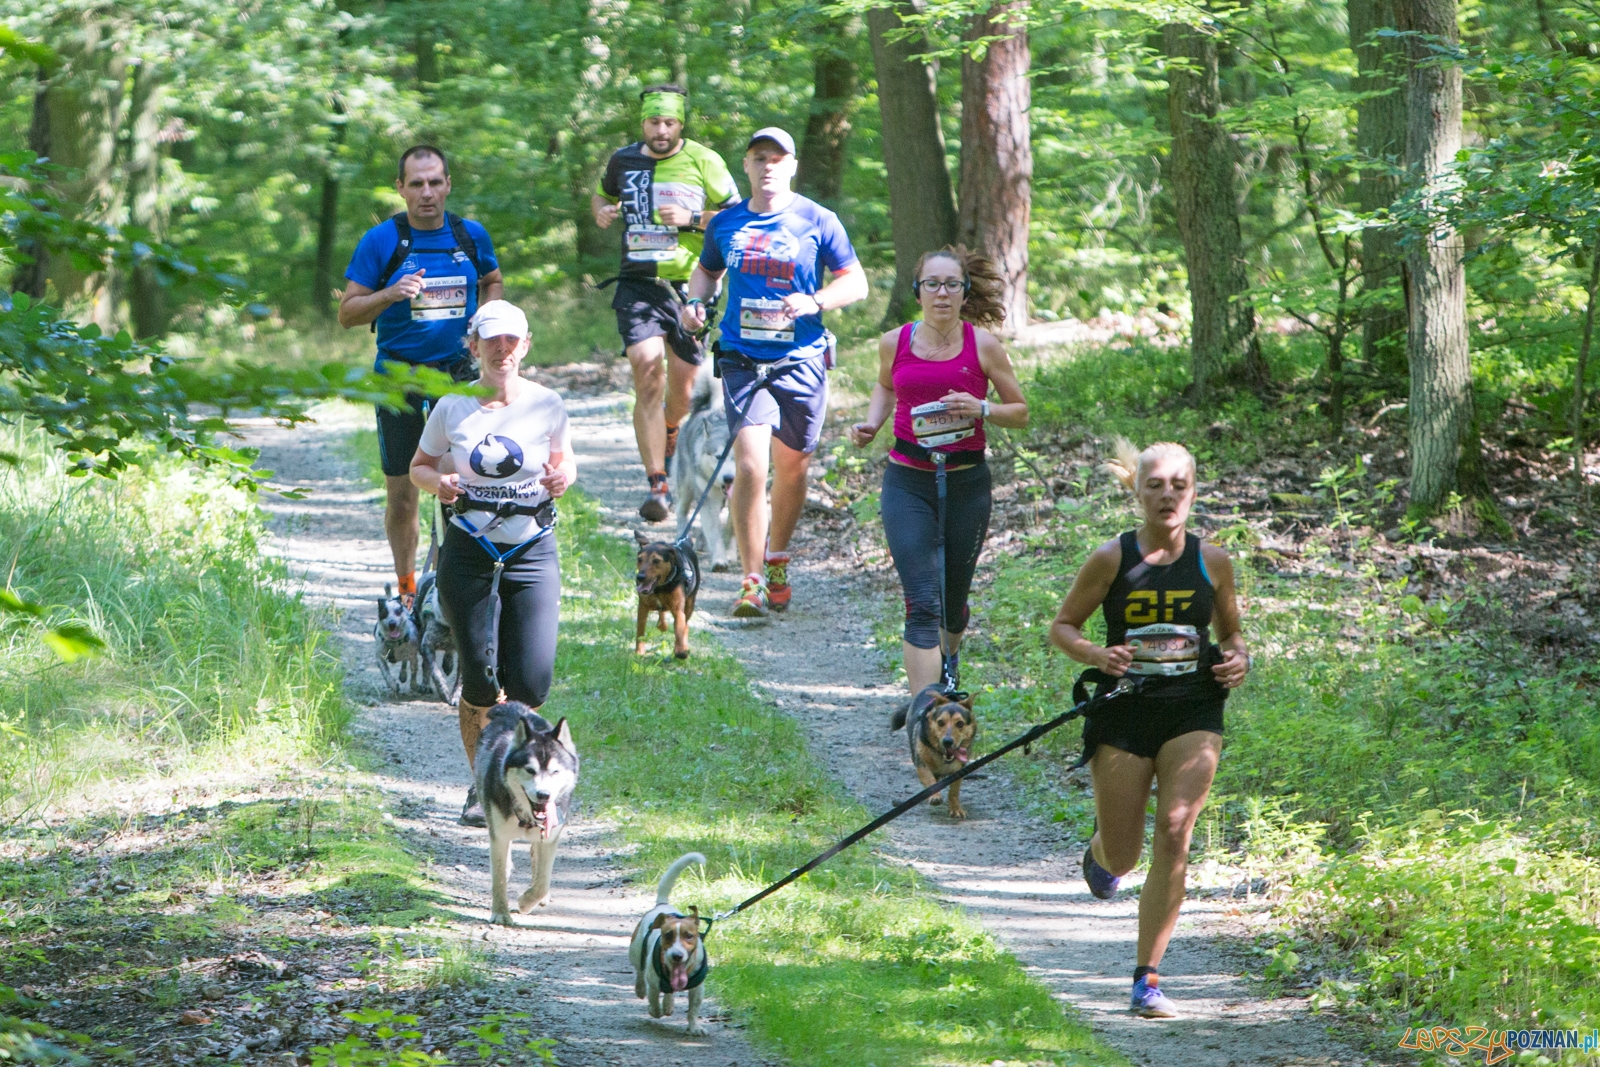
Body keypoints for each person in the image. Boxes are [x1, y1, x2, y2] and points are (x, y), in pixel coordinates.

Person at [1047, 439, 1251, 1018]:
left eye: (1178, 485)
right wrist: (1094, 653)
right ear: (1136, 492)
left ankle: (1148, 979)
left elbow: (1232, 634)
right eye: (1155, 484)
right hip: (1125, 710)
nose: (1167, 495)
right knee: (1124, 855)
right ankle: (1101, 854)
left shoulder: (1213, 562)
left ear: (1193, 492)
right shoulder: (1111, 559)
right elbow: (1062, 626)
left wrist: (1239, 659)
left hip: (1193, 708)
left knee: (1175, 830)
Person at [680, 127, 868, 616]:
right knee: (750, 465)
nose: (767, 166)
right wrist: (694, 302)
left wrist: (815, 300)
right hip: (743, 358)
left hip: (801, 360)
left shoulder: (816, 219)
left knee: (792, 466)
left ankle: (778, 555)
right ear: (745, 166)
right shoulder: (726, 224)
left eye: (777, 158)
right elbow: (707, 270)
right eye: (758, 157)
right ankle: (752, 578)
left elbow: (856, 281)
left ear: (792, 166)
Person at [409, 300, 576, 826]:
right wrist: (439, 483)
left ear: (525, 346)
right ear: (474, 345)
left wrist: (562, 477)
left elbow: (563, 459)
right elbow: (419, 466)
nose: (501, 350)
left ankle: (523, 778)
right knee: (481, 680)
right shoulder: (452, 406)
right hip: (469, 546)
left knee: (531, 680)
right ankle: (484, 786)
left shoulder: (547, 403)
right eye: (491, 341)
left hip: (531, 545)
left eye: (511, 341)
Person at [849, 247, 1029, 695]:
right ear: (918, 291)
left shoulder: (984, 345)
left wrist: (982, 407)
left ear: (964, 292)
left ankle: (949, 662)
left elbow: (1021, 411)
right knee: (922, 602)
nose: (942, 293)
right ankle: (926, 712)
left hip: (967, 481)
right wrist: (873, 423)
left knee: (952, 603)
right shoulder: (894, 341)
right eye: (933, 284)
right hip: (908, 480)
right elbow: (886, 385)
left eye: (952, 284)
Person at [341, 145, 504, 603]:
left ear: (448, 184)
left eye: (435, 182)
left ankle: (456, 582)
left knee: (464, 482)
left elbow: (492, 279)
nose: (427, 193)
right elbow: (348, 313)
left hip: (458, 376)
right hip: (399, 379)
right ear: (401, 188)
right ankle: (408, 587)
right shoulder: (382, 241)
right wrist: (390, 294)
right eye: (416, 184)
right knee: (403, 490)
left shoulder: (470, 236)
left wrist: (484, 322)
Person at [593, 84, 742, 522]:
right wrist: (601, 210)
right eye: (654, 122)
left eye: (670, 122)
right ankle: (657, 481)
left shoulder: (704, 160)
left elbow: (739, 214)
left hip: (690, 284)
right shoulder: (623, 160)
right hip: (637, 282)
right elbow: (603, 196)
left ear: (681, 124)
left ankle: (672, 429)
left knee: (682, 389)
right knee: (646, 370)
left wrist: (695, 219)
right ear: (643, 122)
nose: (661, 130)